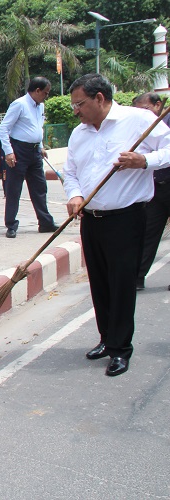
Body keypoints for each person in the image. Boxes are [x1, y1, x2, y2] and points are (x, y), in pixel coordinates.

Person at [62, 74, 170, 377]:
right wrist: (76, 195)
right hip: (91, 219)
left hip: (126, 217)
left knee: (122, 283)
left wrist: (144, 160)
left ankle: (121, 349)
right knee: (99, 282)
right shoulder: (78, 134)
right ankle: (106, 339)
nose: (76, 111)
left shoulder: (138, 120)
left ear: (100, 98)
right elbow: (70, 172)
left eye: (80, 104)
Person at [0, 77, 58, 238]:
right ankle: (11, 225)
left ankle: (45, 222)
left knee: (39, 188)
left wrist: (40, 146)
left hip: (34, 152)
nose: (46, 96)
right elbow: (4, 128)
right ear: (37, 90)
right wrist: (9, 152)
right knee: (14, 189)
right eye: (45, 93)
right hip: (19, 151)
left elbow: (37, 127)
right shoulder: (20, 104)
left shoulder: (40, 106)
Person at [132, 92, 170, 291]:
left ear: (157, 105)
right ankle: (137, 277)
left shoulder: (164, 125)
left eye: (145, 109)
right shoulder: (143, 126)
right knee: (148, 233)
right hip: (157, 186)